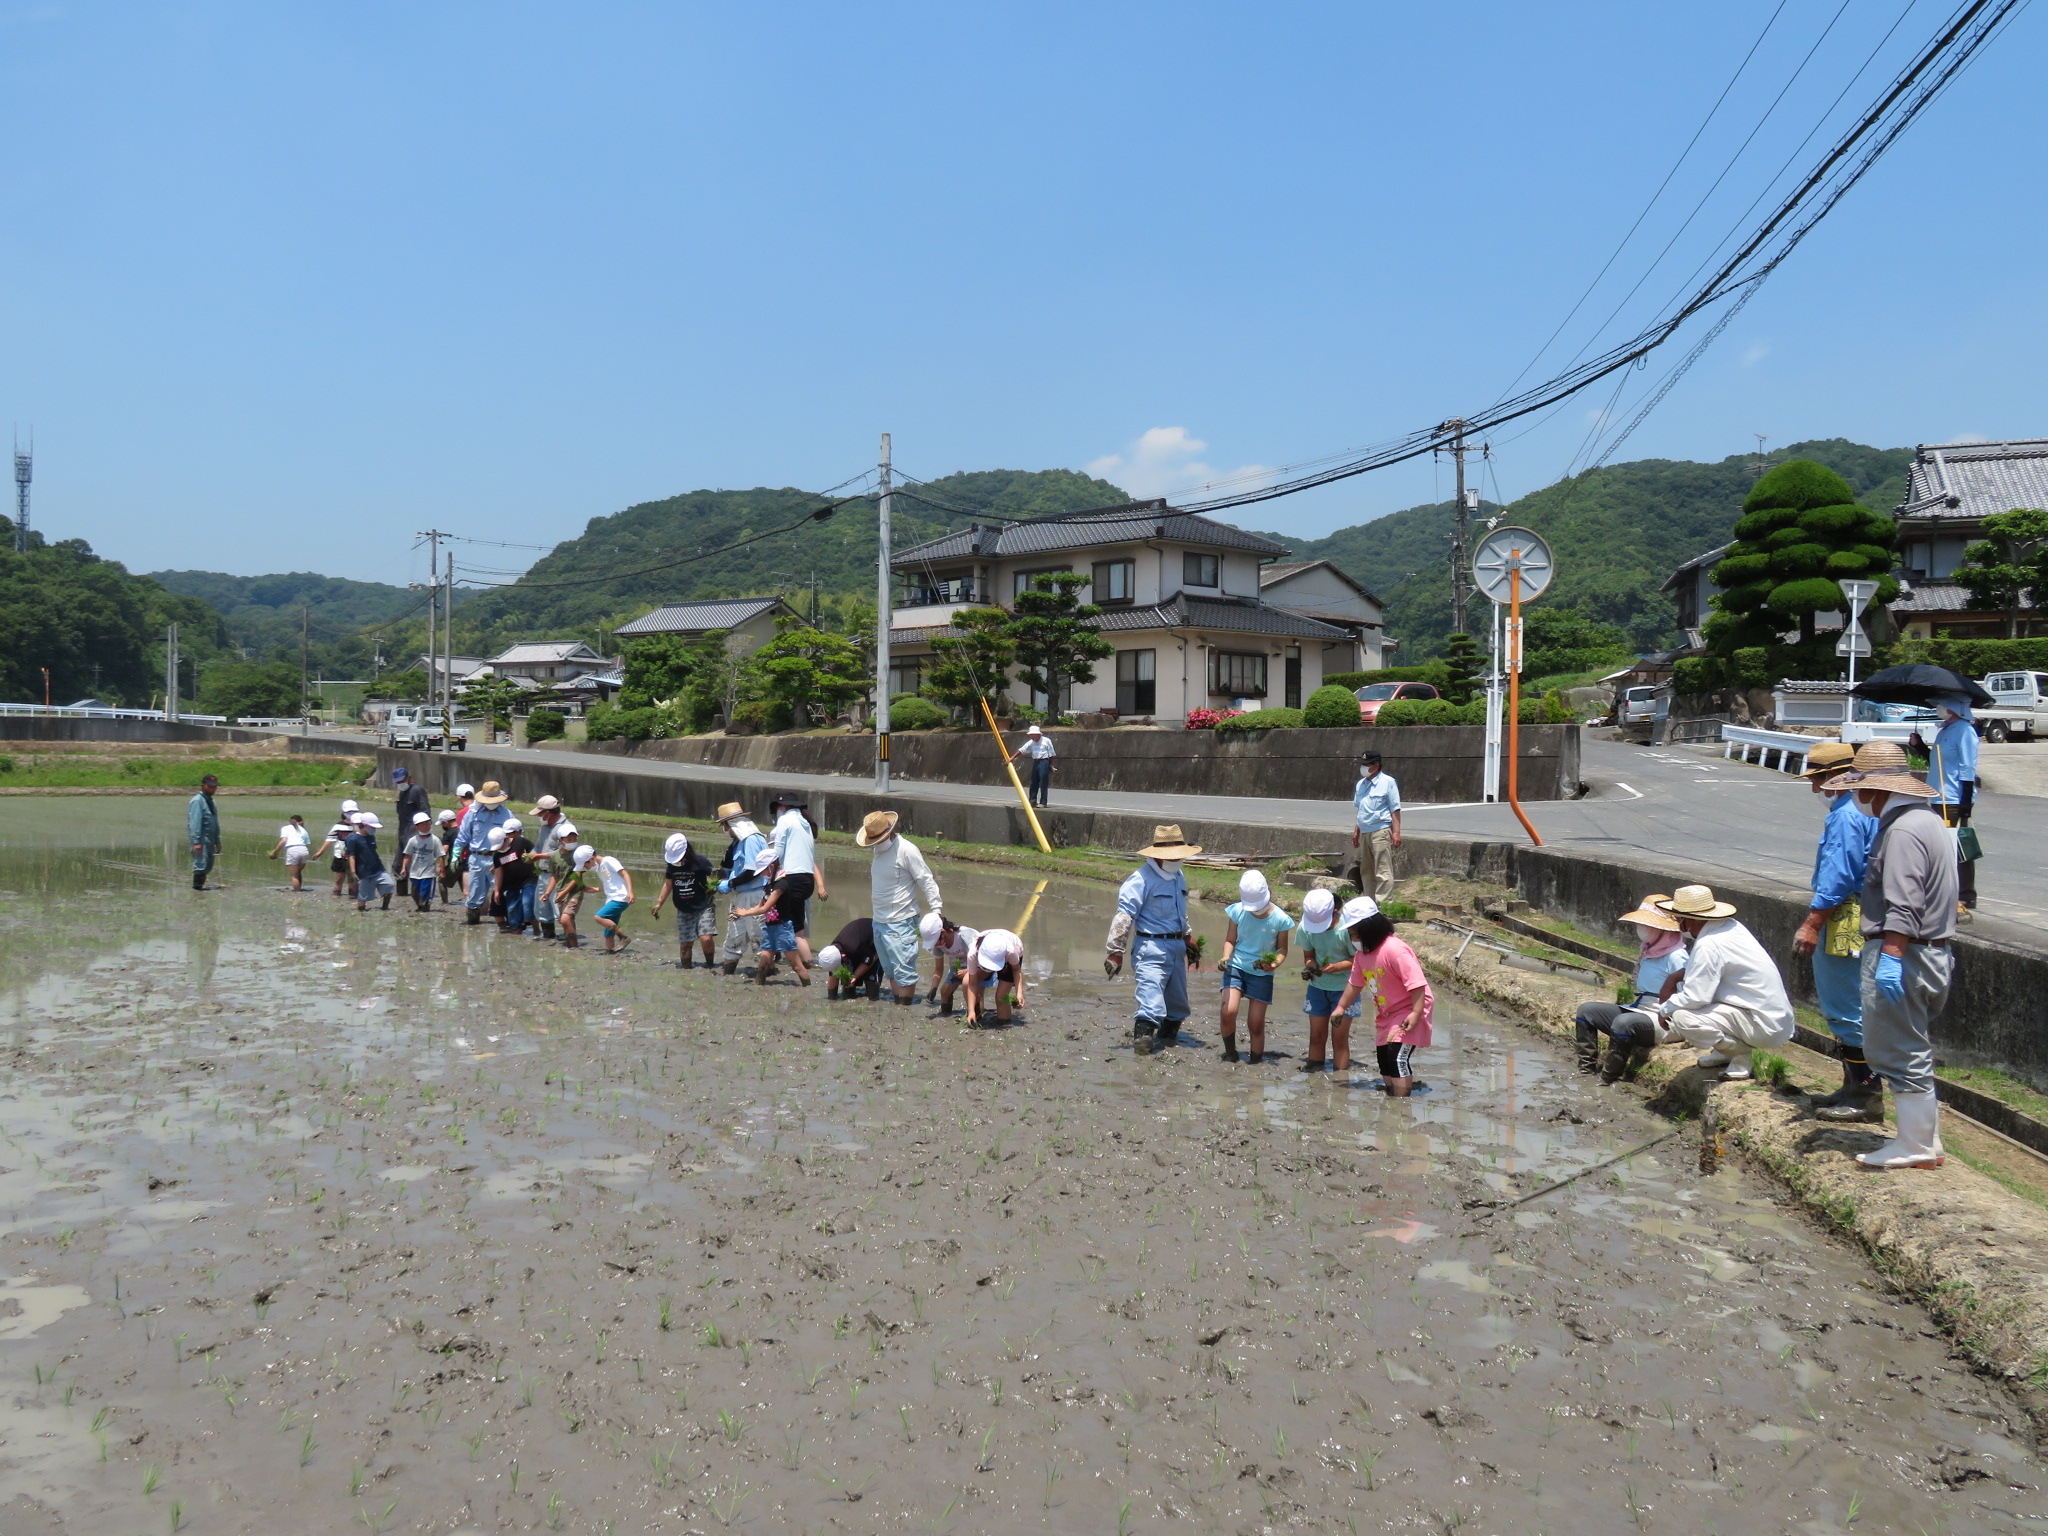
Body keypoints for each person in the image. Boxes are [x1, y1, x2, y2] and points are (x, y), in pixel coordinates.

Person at [1837, 741, 1958, 1170]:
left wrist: (1890, 954)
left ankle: (1916, 1145)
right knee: (1911, 1046)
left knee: (1896, 1050)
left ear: (1873, 788)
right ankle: (1925, 1138)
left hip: (1905, 954)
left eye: (1858, 785)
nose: (1855, 794)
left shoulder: (1903, 831)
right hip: (1931, 953)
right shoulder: (1928, 822)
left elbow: (1903, 903)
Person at [1791, 741, 1884, 1122]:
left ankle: (1865, 1094)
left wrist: (1813, 922)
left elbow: (1838, 875)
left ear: (1839, 778)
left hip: (1844, 916)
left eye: (1820, 780)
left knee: (1844, 1004)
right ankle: (1853, 1086)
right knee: (1852, 1002)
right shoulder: (1867, 810)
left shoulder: (1846, 816)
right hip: (1865, 911)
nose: (1816, 790)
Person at [1651, 885, 1795, 1081]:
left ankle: (1740, 1053)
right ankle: (1726, 1052)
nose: (1678, 925)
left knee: (1683, 1017)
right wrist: (1675, 977)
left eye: (1679, 919)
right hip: (1771, 1017)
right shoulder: (1731, 927)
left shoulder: (1708, 945)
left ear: (1690, 919)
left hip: (1761, 1023)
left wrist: (1664, 1008)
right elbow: (1707, 973)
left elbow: (1696, 997)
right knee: (1694, 1003)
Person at [1105, 825, 1200, 1057]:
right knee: (1150, 999)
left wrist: (1188, 937)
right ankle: (1143, 1045)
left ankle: (1167, 1040)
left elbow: (1180, 912)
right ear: (1156, 855)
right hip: (1151, 947)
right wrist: (1115, 951)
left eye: (1179, 855)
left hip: (1176, 947)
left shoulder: (1178, 876)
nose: (1177, 859)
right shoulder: (1140, 880)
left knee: (1177, 1004)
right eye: (1172, 855)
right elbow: (1125, 916)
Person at [1573, 895, 1686, 1083]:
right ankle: (1586, 1069)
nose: (1641, 929)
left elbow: (1686, 996)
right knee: (1586, 1011)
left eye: (1647, 925)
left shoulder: (1677, 956)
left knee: (1623, 1023)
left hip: (1665, 1019)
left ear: (1662, 929)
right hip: (1641, 1009)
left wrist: (1668, 1012)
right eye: (1640, 924)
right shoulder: (1648, 951)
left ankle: (1608, 1078)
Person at [1331, 897, 1432, 1095]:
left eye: (1355, 935)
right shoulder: (1362, 956)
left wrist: (1416, 1012)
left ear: (1369, 929)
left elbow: (1417, 984)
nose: (1353, 941)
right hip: (1387, 1013)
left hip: (1410, 1008)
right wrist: (1341, 1007)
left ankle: (1402, 1105)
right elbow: (1355, 984)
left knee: (1397, 1058)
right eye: (1351, 936)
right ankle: (1392, 1095)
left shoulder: (1395, 950)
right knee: (1384, 1059)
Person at [857, 810, 942, 1005]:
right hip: (879, 921)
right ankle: (899, 1004)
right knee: (891, 971)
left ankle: (904, 1009)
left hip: (901, 921)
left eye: (878, 839)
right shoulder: (877, 850)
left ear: (889, 832)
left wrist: (936, 910)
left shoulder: (906, 850)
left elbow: (926, 879)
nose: (876, 842)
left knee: (904, 972)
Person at [1218, 869, 1295, 1064]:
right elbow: (1230, 940)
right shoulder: (1237, 911)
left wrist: (1274, 964)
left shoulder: (1280, 919)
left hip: (1261, 973)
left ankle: (1256, 1061)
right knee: (1228, 1010)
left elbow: (1282, 950)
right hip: (1236, 967)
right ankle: (1231, 1054)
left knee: (1255, 1023)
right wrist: (1226, 956)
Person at [1924, 692, 1981, 922]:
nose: (1938, 707)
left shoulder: (1965, 731)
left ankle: (1964, 895)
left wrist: (1966, 802)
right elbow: (1937, 761)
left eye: (1942, 704)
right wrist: (1918, 747)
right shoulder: (1944, 729)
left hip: (1954, 799)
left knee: (1958, 847)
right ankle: (1942, 892)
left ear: (1954, 708)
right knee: (1940, 847)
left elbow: (1968, 768)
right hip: (1938, 796)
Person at [1296, 888, 1362, 1074]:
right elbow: (1308, 956)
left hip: (1345, 991)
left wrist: (1338, 966)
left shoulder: (1348, 929)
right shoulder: (1306, 928)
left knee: (1339, 1038)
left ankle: (1340, 1079)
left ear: (1335, 912)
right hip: (1318, 988)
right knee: (1316, 1036)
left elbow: (1359, 959)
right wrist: (1311, 967)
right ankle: (1314, 1072)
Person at [767, 791, 826, 964]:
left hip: (791, 878)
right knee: (798, 927)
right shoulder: (805, 822)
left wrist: (767, 871)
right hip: (807, 880)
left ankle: (772, 960)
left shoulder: (785, 820)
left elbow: (777, 852)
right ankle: (807, 962)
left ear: (783, 806)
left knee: (777, 920)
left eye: (778, 807)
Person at [714, 802, 770, 976]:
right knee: (733, 939)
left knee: (759, 940)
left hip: (755, 895)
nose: (724, 829)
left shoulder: (751, 839)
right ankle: (727, 976)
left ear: (729, 824)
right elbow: (730, 866)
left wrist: (730, 884)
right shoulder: (739, 840)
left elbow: (753, 871)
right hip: (741, 895)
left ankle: (766, 978)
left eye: (724, 825)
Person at [650, 832, 718, 969]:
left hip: (703, 906)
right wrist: (659, 903)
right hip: (683, 909)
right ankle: (686, 971)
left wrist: (713, 887)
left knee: (706, 938)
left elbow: (716, 877)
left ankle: (710, 966)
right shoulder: (672, 866)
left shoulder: (701, 862)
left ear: (687, 851)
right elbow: (668, 884)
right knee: (686, 944)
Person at [451, 781, 513, 926]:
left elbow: (513, 837)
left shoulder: (507, 814)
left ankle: (509, 926)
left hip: (497, 860)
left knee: (502, 893)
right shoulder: (472, 814)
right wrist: (455, 856)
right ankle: (472, 924)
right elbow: (463, 837)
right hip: (477, 858)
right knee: (474, 896)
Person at [1351, 751, 1402, 903]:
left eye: (1367, 764)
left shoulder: (1387, 782)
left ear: (1376, 765)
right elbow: (1360, 809)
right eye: (1363, 764)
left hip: (1380, 830)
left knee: (1383, 869)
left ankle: (1383, 904)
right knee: (1366, 870)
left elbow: (1395, 808)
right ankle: (1369, 902)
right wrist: (1356, 831)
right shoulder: (1361, 784)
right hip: (1365, 831)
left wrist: (1397, 832)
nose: (1364, 767)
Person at [576, 843, 635, 953]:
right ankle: (611, 954)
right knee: (608, 933)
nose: (586, 868)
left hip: (621, 897)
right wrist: (595, 889)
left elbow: (624, 874)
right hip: (612, 898)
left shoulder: (608, 861)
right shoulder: (599, 867)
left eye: (585, 865)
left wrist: (630, 892)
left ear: (591, 858)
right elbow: (612, 883)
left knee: (599, 916)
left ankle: (623, 937)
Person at [920, 911, 982, 1015]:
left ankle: (976, 1016)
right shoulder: (938, 946)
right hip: (958, 967)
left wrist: (967, 971)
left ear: (943, 932)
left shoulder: (964, 937)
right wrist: (933, 989)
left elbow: (980, 960)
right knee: (944, 991)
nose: (935, 946)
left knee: (967, 985)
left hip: (978, 965)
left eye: (935, 942)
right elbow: (938, 969)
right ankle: (946, 1016)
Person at [962, 927, 1024, 1026]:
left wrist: (1019, 993)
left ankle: (1005, 1024)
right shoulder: (973, 953)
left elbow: (1016, 970)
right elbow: (972, 984)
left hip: (1011, 956)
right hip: (986, 954)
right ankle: (976, 1017)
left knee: (1001, 996)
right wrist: (971, 1011)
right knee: (966, 982)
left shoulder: (1011, 951)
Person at [529, 795, 568, 941]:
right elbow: (538, 847)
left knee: (560, 909)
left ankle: (569, 939)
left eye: (540, 812)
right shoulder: (545, 827)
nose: (539, 815)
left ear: (548, 812)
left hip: (557, 875)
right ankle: (548, 937)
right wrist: (530, 856)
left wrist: (539, 857)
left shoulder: (565, 829)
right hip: (543, 873)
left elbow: (563, 853)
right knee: (542, 909)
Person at [542, 822, 586, 948]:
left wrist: (564, 892)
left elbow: (578, 876)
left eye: (574, 838)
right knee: (567, 921)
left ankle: (574, 947)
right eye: (569, 839)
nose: (573, 841)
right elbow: (554, 876)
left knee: (565, 919)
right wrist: (548, 892)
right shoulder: (555, 856)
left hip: (575, 892)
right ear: (560, 840)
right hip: (561, 892)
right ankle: (571, 944)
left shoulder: (578, 854)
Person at [819, 916, 882, 1001]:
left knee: (871, 986)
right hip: (859, 947)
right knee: (847, 987)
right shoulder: (831, 954)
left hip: (876, 939)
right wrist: (831, 999)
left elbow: (870, 959)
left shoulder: (853, 947)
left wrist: (854, 976)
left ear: (843, 956)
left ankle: (874, 999)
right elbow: (833, 976)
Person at [494, 817, 537, 934]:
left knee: (527, 903)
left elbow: (536, 852)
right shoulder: (497, 855)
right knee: (512, 909)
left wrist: (529, 857)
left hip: (529, 880)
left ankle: (536, 930)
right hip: (512, 884)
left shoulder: (520, 842)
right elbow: (498, 872)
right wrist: (497, 890)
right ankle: (516, 932)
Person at [346, 812, 396, 912]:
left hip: (378, 869)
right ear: (364, 826)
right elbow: (351, 856)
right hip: (364, 872)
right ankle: (361, 911)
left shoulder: (370, 837)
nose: (374, 829)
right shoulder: (353, 838)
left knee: (389, 885)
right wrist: (353, 872)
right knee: (363, 895)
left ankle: (385, 907)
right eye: (372, 827)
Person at [392, 767, 429, 891]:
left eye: (401, 781)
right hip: (403, 834)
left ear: (409, 778)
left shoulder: (417, 790)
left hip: (414, 835)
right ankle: (402, 896)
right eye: (397, 782)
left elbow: (425, 812)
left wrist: (422, 834)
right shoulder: (403, 793)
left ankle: (418, 895)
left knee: (414, 866)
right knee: (398, 866)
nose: (399, 784)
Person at [1007, 724, 1057, 807]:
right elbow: (1022, 750)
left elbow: (1052, 754)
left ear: (1037, 734)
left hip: (1044, 761)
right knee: (1034, 782)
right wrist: (1012, 757)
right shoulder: (1031, 742)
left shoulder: (1046, 740)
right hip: (1036, 762)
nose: (1030, 736)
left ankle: (1043, 802)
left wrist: (1051, 765)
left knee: (1043, 782)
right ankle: (1033, 800)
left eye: (1032, 734)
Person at [400, 812, 442, 911]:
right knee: (414, 893)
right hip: (415, 872)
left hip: (428, 872)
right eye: (423, 824)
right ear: (417, 827)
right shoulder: (413, 840)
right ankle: (420, 906)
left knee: (424, 892)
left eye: (428, 823)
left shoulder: (435, 840)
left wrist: (441, 868)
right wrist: (403, 868)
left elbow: (441, 855)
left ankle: (425, 907)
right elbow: (407, 855)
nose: (426, 826)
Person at [187, 773, 222, 891]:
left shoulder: (211, 802)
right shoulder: (197, 801)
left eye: (214, 786)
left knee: (208, 865)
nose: (212, 789)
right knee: (200, 865)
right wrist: (196, 842)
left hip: (210, 839)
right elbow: (195, 823)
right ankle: (197, 889)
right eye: (210, 786)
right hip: (201, 839)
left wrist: (217, 840)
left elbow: (214, 822)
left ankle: (199, 888)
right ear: (203, 786)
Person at [270, 813, 311, 891]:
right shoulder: (304, 830)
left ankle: (297, 893)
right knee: (298, 872)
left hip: (293, 850)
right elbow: (307, 844)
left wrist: (275, 852)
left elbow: (283, 841)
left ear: (289, 822)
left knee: (294, 876)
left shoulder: (286, 828)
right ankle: (299, 888)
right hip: (304, 850)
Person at [317, 815, 355, 897]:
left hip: (354, 857)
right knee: (339, 880)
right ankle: (336, 896)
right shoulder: (338, 826)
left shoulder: (357, 825)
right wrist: (320, 852)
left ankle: (353, 899)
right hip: (340, 856)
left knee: (353, 881)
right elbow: (329, 840)